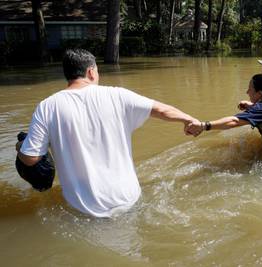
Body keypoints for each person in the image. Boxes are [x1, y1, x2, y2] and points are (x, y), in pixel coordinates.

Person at [15, 49, 200, 217]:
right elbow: (162, 109)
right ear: (91, 72)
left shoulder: (48, 106)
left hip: (84, 209)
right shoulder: (118, 95)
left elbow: (30, 159)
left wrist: (20, 147)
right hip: (129, 200)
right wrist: (189, 120)